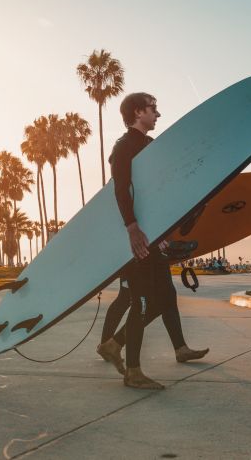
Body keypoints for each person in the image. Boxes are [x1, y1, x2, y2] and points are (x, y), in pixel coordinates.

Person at [96, 92, 208, 390]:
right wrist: (132, 228)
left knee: (163, 299)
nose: (157, 114)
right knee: (141, 302)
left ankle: (119, 344)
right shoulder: (124, 148)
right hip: (138, 239)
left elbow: (162, 192)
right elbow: (121, 191)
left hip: (155, 237)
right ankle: (132, 371)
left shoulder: (150, 146)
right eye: (152, 109)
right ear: (137, 112)